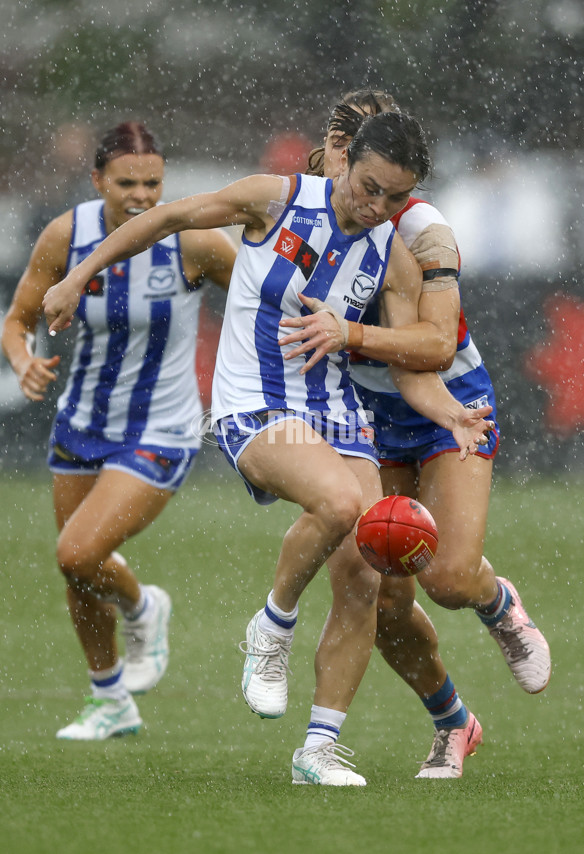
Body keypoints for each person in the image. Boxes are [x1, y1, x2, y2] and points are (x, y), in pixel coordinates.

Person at [41, 110, 494, 785]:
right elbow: (166, 220)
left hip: (339, 415)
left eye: (397, 197)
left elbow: (411, 368)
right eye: (371, 187)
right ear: (346, 162)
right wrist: (80, 276)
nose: (380, 206)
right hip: (255, 404)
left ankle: (318, 749)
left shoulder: (394, 255)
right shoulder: (274, 198)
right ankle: (273, 624)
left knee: (366, 573)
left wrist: (451, 413)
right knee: (341, 501)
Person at [279, 89, 551, 777]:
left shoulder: (424, 231)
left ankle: (498, 602)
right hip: (362, 421)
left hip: (444, 403)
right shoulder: (301, 206)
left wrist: (351, 332)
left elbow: (429, 348)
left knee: (449, 578)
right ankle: (453, 723)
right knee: (386, 598)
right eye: (340, 146)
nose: (363, 182)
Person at [1, 121, 237, 741]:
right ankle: (110, 699)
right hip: (81, 421)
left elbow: (261, 301)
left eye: (153, 182)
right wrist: (24, 361)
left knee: (79, 551)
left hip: (164, 426)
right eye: (126, 182)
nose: (141, 195)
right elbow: (17, 320)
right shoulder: (67, 234)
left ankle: (142, 606)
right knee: (77, 570)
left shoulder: (193, 241)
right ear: (97, 180)